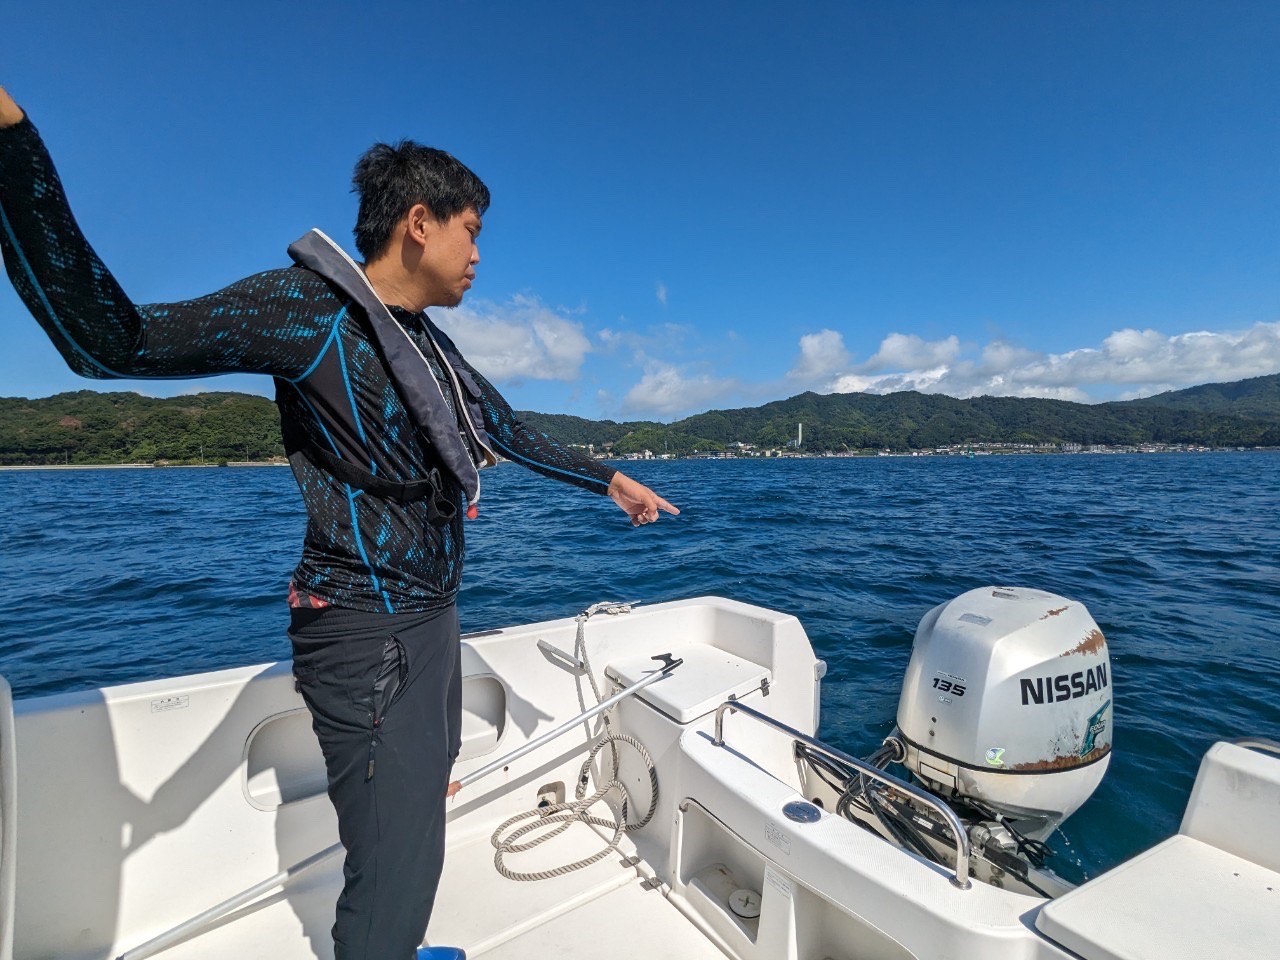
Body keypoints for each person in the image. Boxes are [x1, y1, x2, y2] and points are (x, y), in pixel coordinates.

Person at [0, 85, 677, 960]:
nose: (480, 256)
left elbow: (502, 427)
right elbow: (112, 340)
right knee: (398, 865)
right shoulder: (307, 311)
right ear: (421, 223)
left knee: (418, 823)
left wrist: (607, 478)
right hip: (364, 632)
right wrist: (15, 149)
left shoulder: (427, 340)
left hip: (431, 617)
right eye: (474, 231)